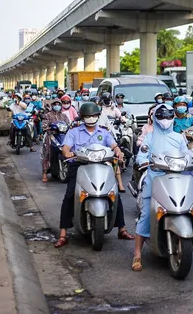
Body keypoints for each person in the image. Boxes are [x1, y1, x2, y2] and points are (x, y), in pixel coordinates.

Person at [132, 104, 193, 271]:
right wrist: (142, 160)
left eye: (168, 117)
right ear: (155, 119)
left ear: (173, 118)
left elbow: (187, 153)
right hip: (156, 177)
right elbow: (142, 154)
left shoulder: (179, 137)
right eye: (162, 117)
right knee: (146, 214)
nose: (165, 120)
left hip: (179, 176)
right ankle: (137, 254)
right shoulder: (149, 137)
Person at [54, 102, 135, 248]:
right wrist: (67, 152)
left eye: (93, 115)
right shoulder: (74, 132)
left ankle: (121, 229)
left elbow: (114, 146)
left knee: (114, 193)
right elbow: (66, 148)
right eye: (87, 116)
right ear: (82, 117)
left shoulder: (103, 132)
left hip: (101, 165)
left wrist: (119, 152)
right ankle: (63, 233)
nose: (91, 118)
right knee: (70, 195)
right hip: (79, 166)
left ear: (98, 116)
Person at [40, 98, 70, 182]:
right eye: (55, 104)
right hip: (51, 136)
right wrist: (48, 127)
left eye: (59, 104)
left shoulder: (64, 115)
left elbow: (68, 124)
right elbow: (44, 125)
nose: (57, 106)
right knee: (47, 153)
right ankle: (44, 173)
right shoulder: (48, 115)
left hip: (62, 136)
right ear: (52, 106)